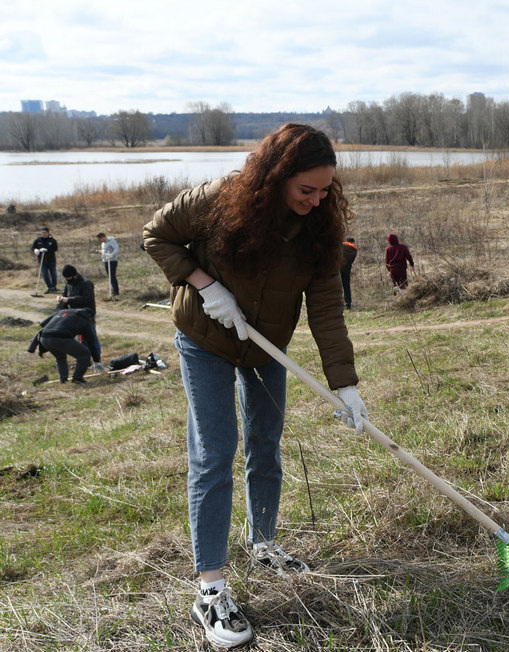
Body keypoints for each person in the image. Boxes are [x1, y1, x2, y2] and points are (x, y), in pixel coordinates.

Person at [143, 123, 368, 650]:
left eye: (324, 190)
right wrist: (204, 284)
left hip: (266, 345)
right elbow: (157, 235)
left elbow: (328, 312)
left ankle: (263, 543)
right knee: (215, 454)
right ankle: (211, 591)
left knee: (265, 443)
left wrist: (346, 384)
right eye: (305, 190)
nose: (315, 201)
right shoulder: (222, 199)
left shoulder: (319, 229)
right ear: (275, 177)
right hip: (207, 337)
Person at [31, 307, 101, 385]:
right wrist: (97, 361)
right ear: (90, 316)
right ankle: (77, 379)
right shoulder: (84, 320)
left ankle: (63, 381)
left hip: (43, 339)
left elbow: (43, 323)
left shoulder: (63, 311)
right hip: (59, 338)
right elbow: (91, 343)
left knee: (60, 357)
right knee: (85, 354)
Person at [57, 264, 104, 371]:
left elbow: (86, 299)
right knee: (81, 339)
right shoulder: (69, 283)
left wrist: (69, 300)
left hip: (87, 315)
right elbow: (65, 294)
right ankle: (86, 361)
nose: (67, 279)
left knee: (91, 338)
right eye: (66, 278)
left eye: (68, 277)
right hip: (74, 315)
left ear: (74, 275)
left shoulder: (86, 283)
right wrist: (62, 299)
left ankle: (97, 361)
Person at [31, 226, 59, 293]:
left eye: (45, 232)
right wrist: (36, 250)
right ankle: (50, 287)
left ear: (48, 233)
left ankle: (54, 287)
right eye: (42, 232)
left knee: (53, 274)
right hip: (42, 261)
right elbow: (32, 247)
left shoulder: (52, 240)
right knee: (45, 274)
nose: (44, 234)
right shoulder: (37, 240)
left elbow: (55, 248)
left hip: (51, 260)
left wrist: (47, 250)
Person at [96, 232, 120, 299]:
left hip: (112, 261)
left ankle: (115, 292)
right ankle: (112, 290)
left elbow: (116, 249)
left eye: (99, 239)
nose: (99, 241)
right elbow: (104, 251)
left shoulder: (111, 241)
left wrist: (111, 255)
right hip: (106, 261)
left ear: (103, 237)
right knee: (110, 276)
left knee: (112, 276)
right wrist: (99, 251)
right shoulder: (103, 244)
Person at [340, 237, 358, 309]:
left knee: (337, 286)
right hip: (347, 270)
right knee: (346, 286)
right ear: (353, 242)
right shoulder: (354, 250)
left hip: (338, 268)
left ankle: (338, 303)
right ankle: (348, 304)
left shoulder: (341, 246)